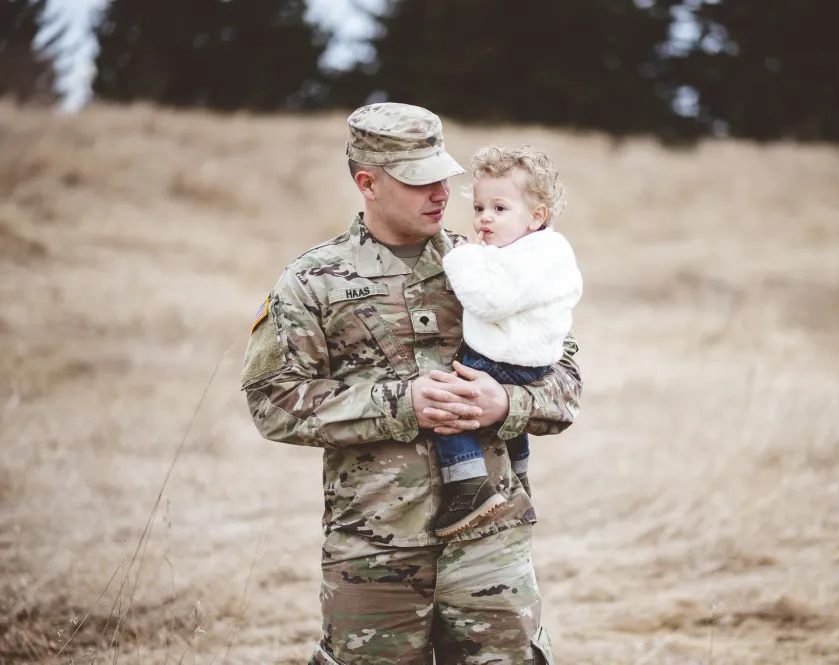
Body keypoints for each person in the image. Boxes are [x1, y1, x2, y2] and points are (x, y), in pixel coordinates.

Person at [239, 101, 582, 665]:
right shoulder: (312, 282)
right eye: (419, 181)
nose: (442, 194)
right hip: (373, 554)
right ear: (367, 182)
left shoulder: (492, 263)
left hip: (489, 543)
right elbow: (273, 402)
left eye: (444, 176)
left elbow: (566, 381)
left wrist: (507, 402)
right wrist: (399, 403)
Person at [430, 145, 583, 538]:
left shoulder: (529, 256)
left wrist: (463, 258)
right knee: (508, 425)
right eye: (479, 208)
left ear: (537, 216)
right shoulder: (535, 249)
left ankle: (467, 485)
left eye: (499, 209)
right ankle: (518, 473)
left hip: (509, 357)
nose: (484, 219)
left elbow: (491, 301)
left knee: (451, 402)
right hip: (528, 357)